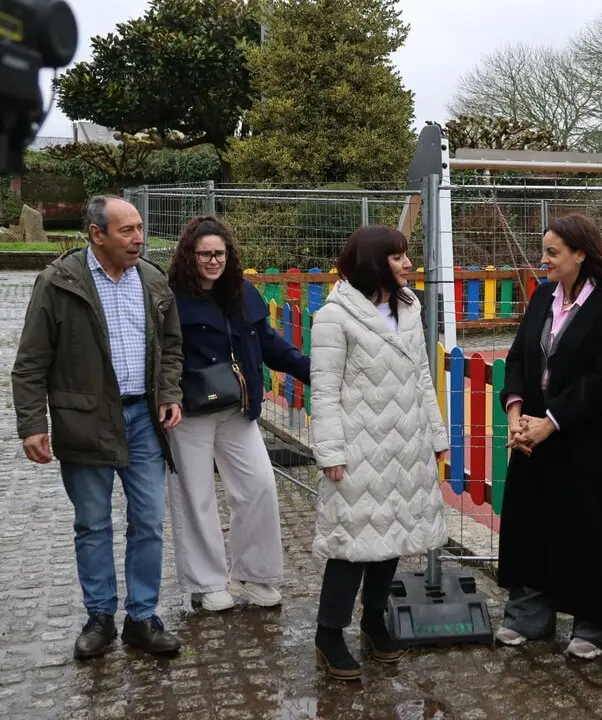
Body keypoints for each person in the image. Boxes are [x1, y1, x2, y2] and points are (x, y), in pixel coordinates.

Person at [12, 195, 185, 659]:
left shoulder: (151, 278)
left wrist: (169, 392)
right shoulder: (59, 282)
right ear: (96, 234)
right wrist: (32, 424)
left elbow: (171, 347)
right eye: (127, 230)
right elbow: (30, 364)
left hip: (144, 419)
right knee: (92, 524)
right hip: (84, 420)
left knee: (148, 520)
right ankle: (100, 617)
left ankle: (143, 618)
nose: (139, 238)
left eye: (140, 228)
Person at [309, 225, 450, 680]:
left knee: (391, 536)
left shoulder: (409, 308)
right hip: (357, 448)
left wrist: (436, 437)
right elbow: (325, 392)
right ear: (373, 262)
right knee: (351, 543)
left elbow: (423, 379)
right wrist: (329, 451)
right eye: (397, 257)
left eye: (407, 255)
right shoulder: (334, 317)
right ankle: (329, 634)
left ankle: (373, 621)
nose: (408, 264)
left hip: (405, 442)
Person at [495, 213, 602, 661]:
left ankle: (596, 622)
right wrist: (516, 412)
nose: (544, 260)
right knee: (529, 520)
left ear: (580, 254)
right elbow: (517, 356)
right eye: (544, 250)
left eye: (553, 252)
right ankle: (530, 613)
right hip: (533, 436)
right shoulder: (541, 297)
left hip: (583, 440)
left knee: (586, 527)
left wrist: (551, 421)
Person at [165, 216, 311, 612]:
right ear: (189, 256)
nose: (213, 260)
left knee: (259, 486)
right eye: (205, 254)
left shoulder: (242, 293)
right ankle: (206, 582)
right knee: (195, 496)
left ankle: (253, 574)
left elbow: (270, 344)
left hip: (238, 408)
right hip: (190, 409)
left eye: (220, 253)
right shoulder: (172, 299)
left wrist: (312, 371)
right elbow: (162, 355)